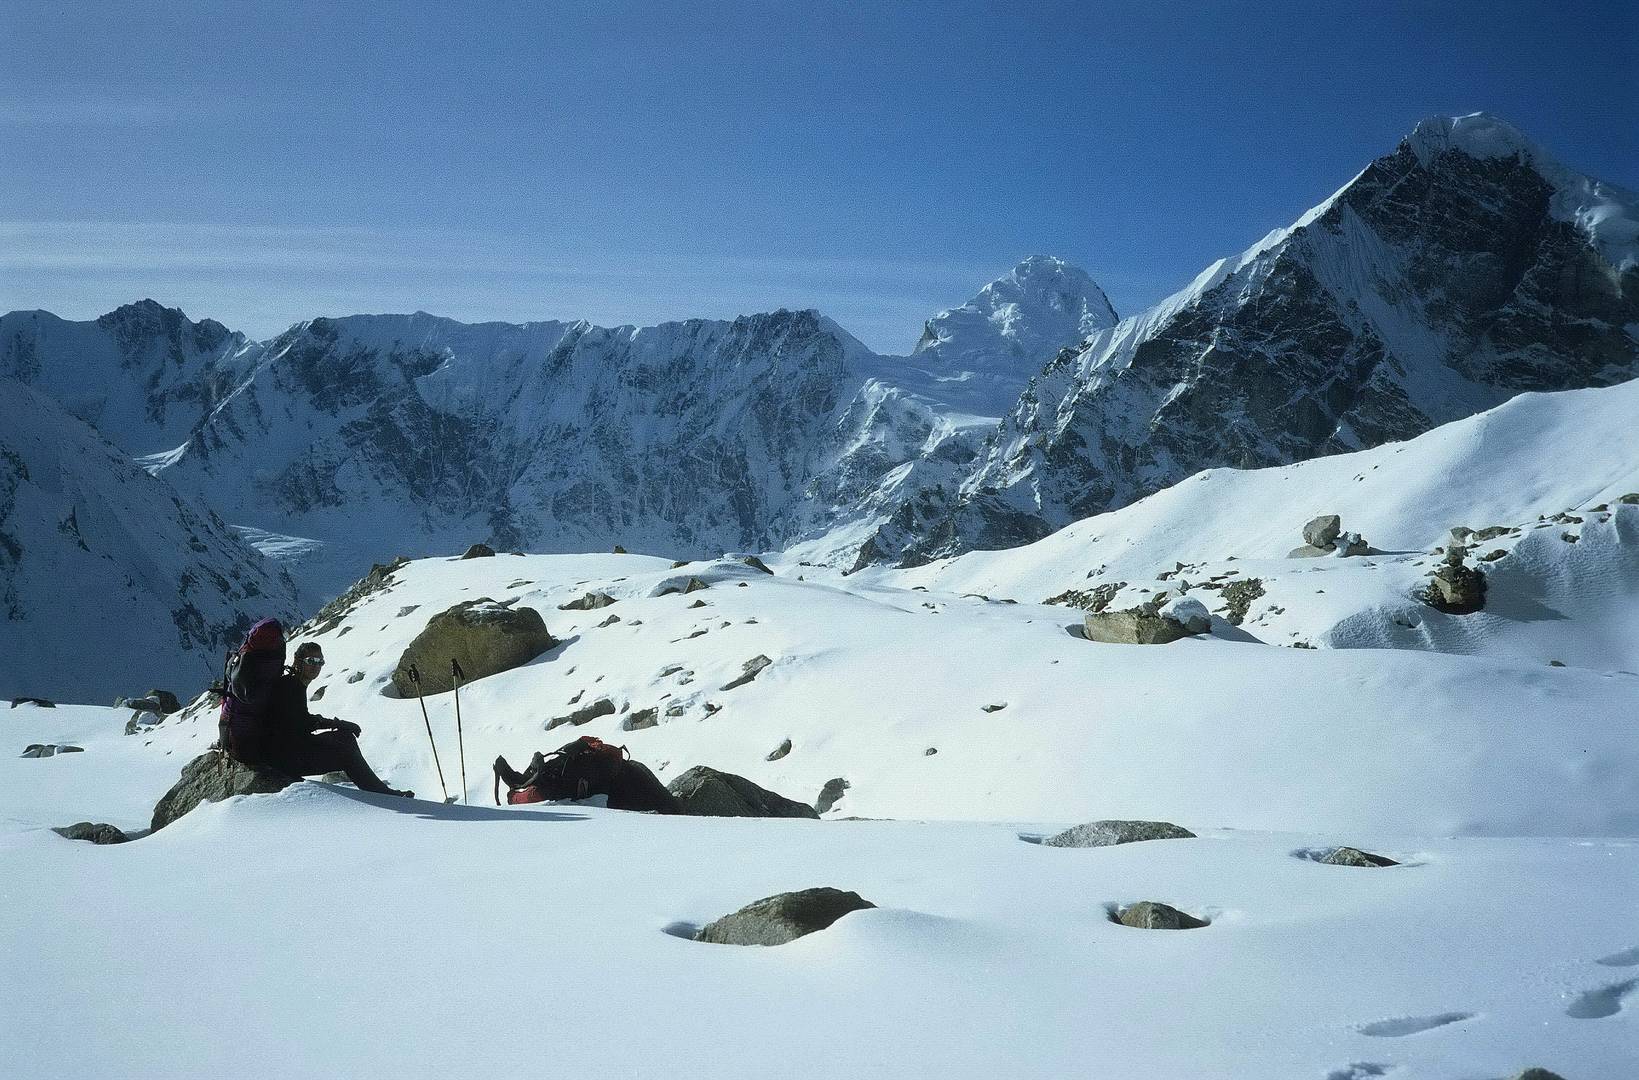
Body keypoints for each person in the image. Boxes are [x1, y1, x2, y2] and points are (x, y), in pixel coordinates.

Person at [227, 641, 412, 798]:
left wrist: (335, 726)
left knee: (344, 739)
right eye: (311, 661)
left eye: (320, 661)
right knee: (345, 750)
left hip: (285, 750)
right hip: (283, 759)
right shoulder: (290, 687)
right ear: (298, 662)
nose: (316, 665)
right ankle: (381, 794)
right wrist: (335, 724)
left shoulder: (292, 684)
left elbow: (297, 722)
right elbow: (299, 724)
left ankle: (379, 791)